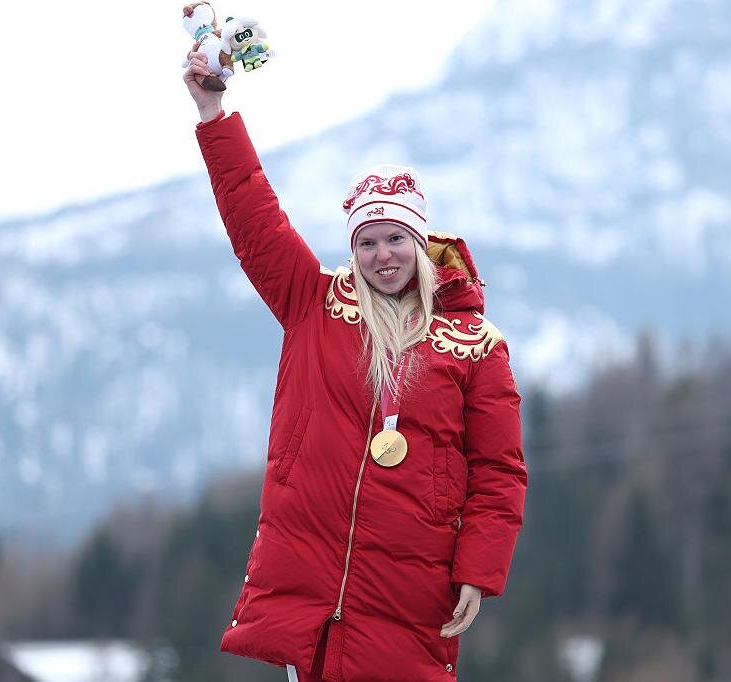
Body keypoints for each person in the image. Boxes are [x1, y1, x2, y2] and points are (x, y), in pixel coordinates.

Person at [183, 43, 527, 682]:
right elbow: (253, 216)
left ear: (421, 243)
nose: (382, 255)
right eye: (366, 242)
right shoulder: (313, 303)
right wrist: (213, 113)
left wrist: (479, 571)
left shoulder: (477, 347)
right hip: (311, 590)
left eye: (396, 238)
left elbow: (498, 471)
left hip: (411, 592)